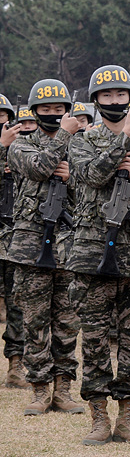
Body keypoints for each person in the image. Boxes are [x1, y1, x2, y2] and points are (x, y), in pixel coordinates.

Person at [67, 66, 130, 447]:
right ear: (96, 100)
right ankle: (99, 416)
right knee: (97, 339)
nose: (115, 102)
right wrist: (123, 145)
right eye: (107, 96)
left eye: (121, 96)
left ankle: (128, 417)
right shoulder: (83, 139)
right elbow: (90, 175)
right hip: (92, 253)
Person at [6, 80, 83, 416]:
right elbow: (39, 167)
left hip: (68, 246)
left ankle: (64, 388)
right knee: (35, 321)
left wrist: (73, 178)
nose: (53, 115)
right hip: (29, 246)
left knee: (67, 320)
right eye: (46, 110)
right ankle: (40, 388)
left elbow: (92, 189)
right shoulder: (20, 146)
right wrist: (64, 138)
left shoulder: (81, 148)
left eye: (58, 109)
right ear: (34, 112)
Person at [0, 93, 29, 389]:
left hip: (13, 237)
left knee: (17, 304)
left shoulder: (21, 147)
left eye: (2, 115)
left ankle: (16, 363)